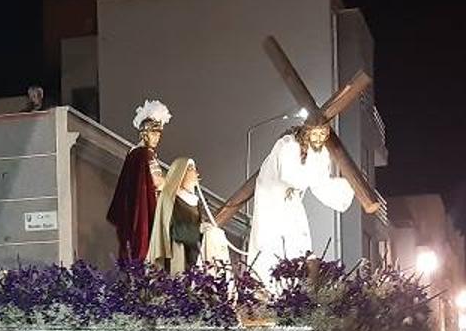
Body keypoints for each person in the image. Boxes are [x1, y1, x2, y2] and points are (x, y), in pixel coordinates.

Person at [247, 121, 354, 283]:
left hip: (292, 205)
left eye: (322, 135)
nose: (319, 139)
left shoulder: (319, 153)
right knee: (270, 248)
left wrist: (349, 187)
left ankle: (296, 288)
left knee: (297, 248)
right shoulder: (288, 145)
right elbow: (290, 175)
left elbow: (321, 183)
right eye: (315, 134)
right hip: (272, 203)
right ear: (307, 133)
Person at [108, 99, 170, 263]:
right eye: (154, 133)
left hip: (134, 211)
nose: (157, 138)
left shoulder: (133, 153)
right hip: (143, 212)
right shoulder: (145, 154)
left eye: (159, 134)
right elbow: (158, 182)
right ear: (144, 133)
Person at [148, 158, 227, 272]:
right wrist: (197, 229)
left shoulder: (196, 202)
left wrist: (206, 231)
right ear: (180, 173)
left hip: (194, 256)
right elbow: (169, 229)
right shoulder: (170, 198)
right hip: (176, 254)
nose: (196, 174)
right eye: (191, 169)